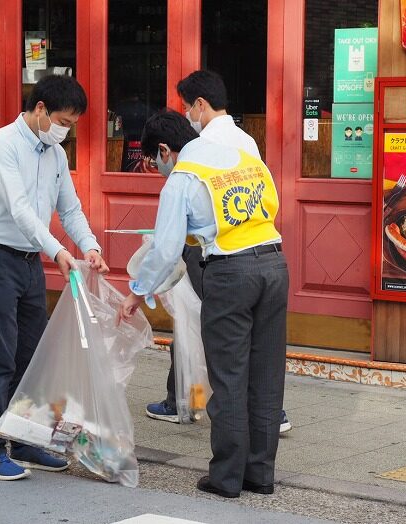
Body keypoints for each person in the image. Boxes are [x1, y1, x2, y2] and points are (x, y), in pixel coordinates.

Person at [119, 110, 289, 498]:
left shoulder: (182, 177)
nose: (157, 167)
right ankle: (260, 475)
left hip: (231, 273)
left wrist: (137, 293)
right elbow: (272, 207)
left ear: (164, 150)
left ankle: (226, 478)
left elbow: (164, 250)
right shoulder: (246, 157)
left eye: (153, 160)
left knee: (228, 377)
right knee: (265, 375)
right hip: (275, 266)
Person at [0, 74, 109, 481]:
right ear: (41, 109)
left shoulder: (55, 154)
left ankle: (25, 438)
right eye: (64, 121)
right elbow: (21, 210)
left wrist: (89, 246)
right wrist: (59, 251)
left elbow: (70, 208)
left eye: (73, 124)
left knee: (31, 358)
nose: (66, 130)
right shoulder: (1, 145)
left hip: (27, 262)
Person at [145, 70, 292, 435]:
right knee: (255, 343)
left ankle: (200, 407)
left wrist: (139, 290)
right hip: (265, 253)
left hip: (220, 251)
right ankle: (253, 412)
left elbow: (186, 209)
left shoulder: (202, 144)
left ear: (200, 105)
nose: (186, 117)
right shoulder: (246, 140)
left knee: (210, 327)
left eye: (186, 108)